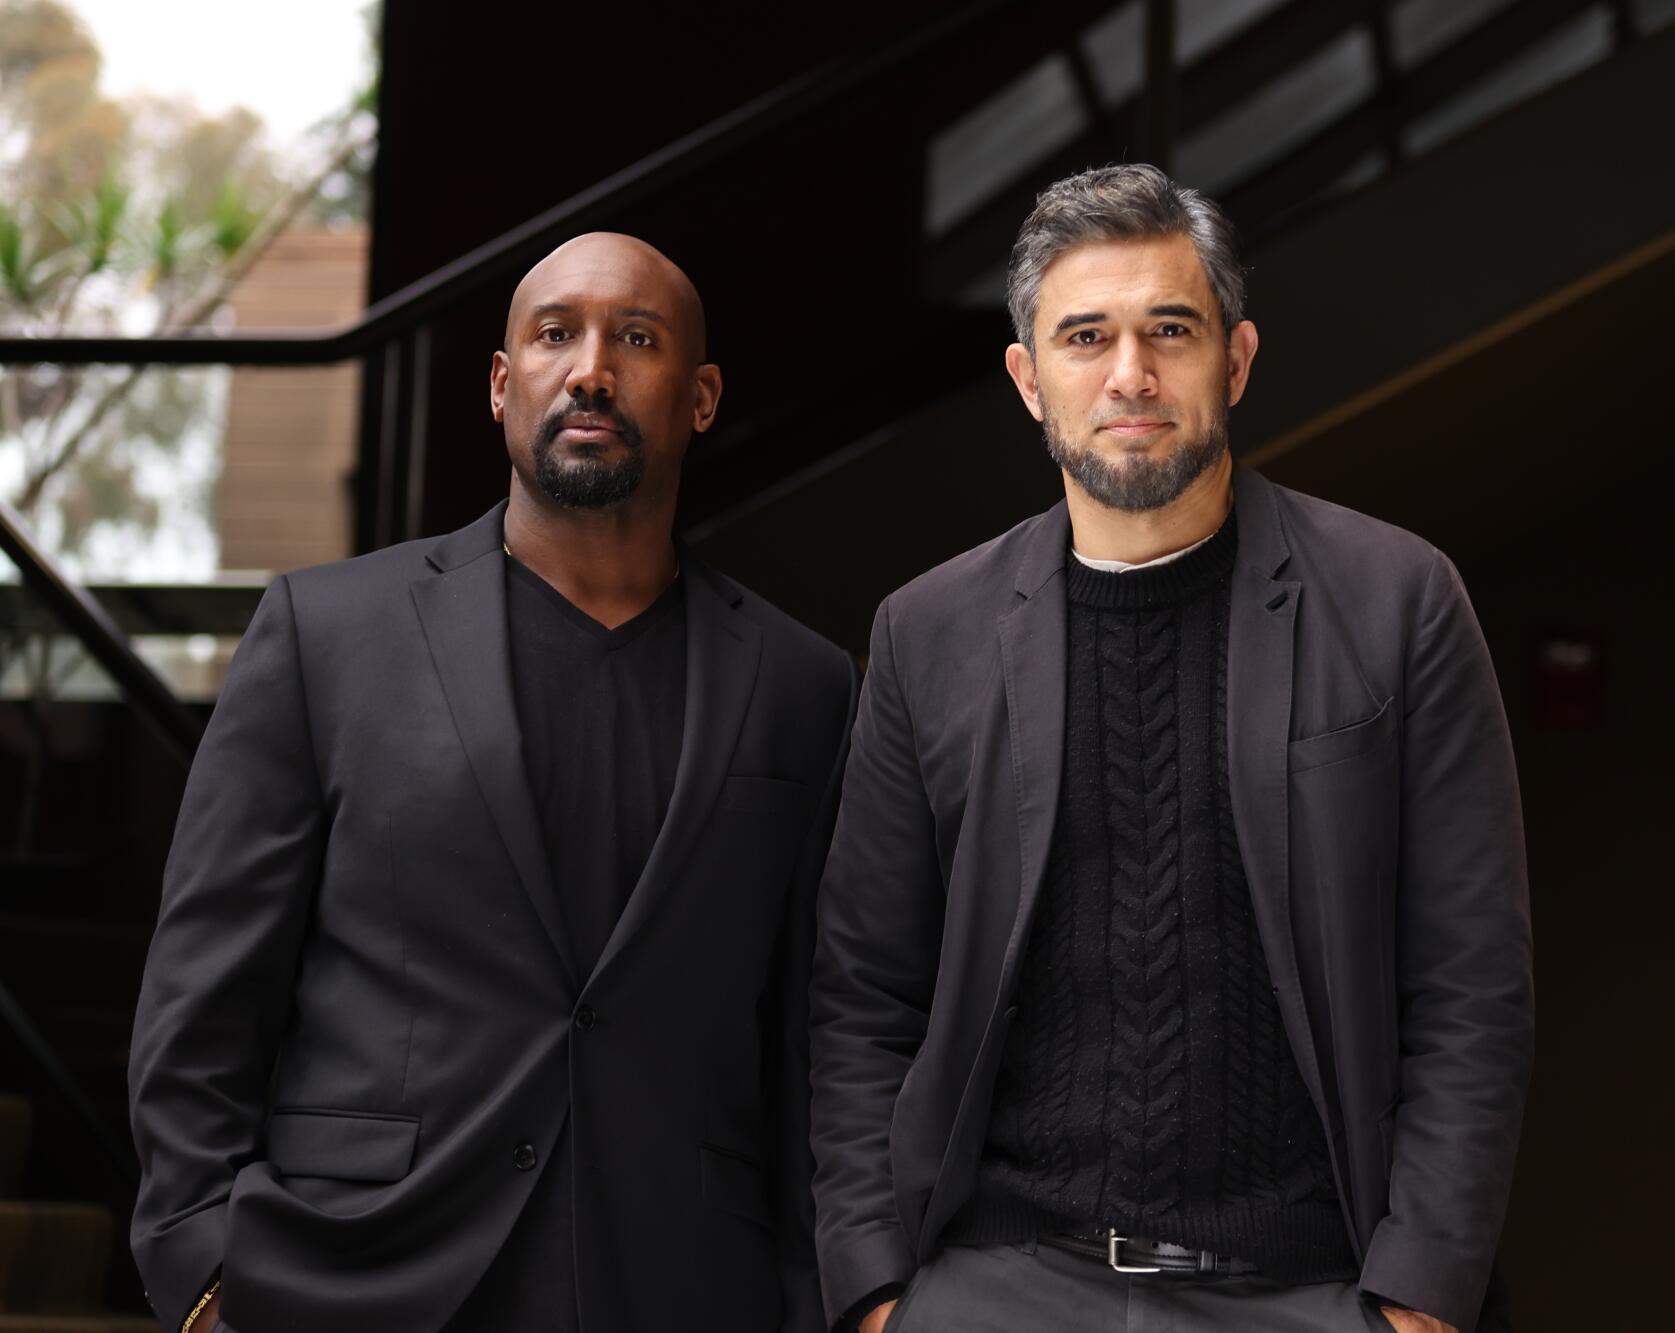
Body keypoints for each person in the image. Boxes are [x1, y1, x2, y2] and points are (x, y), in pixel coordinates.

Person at [811, 165, 1532, 1333]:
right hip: (998, 1287)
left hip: (1306, 1288)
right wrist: (878, 1291)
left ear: (1235, 360)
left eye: (1169, 331)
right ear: (1026, 379)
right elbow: (860, 995)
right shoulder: (924, 633)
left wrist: (1418, 1301)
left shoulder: (1396, 601)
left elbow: (1470, 988)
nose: (1129, 373)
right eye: (1084, 336)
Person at [128, 232, 854, 1333]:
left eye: (637, 339)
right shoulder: (327, 634)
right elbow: (206, 989)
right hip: (352, 1277)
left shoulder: (805, 684)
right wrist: (201, 1270)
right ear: (501, 384)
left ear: (700, 397)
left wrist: (817, 1298)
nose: (592, 369)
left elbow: (817, 1033)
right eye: (555, 334)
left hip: (682, 1283)